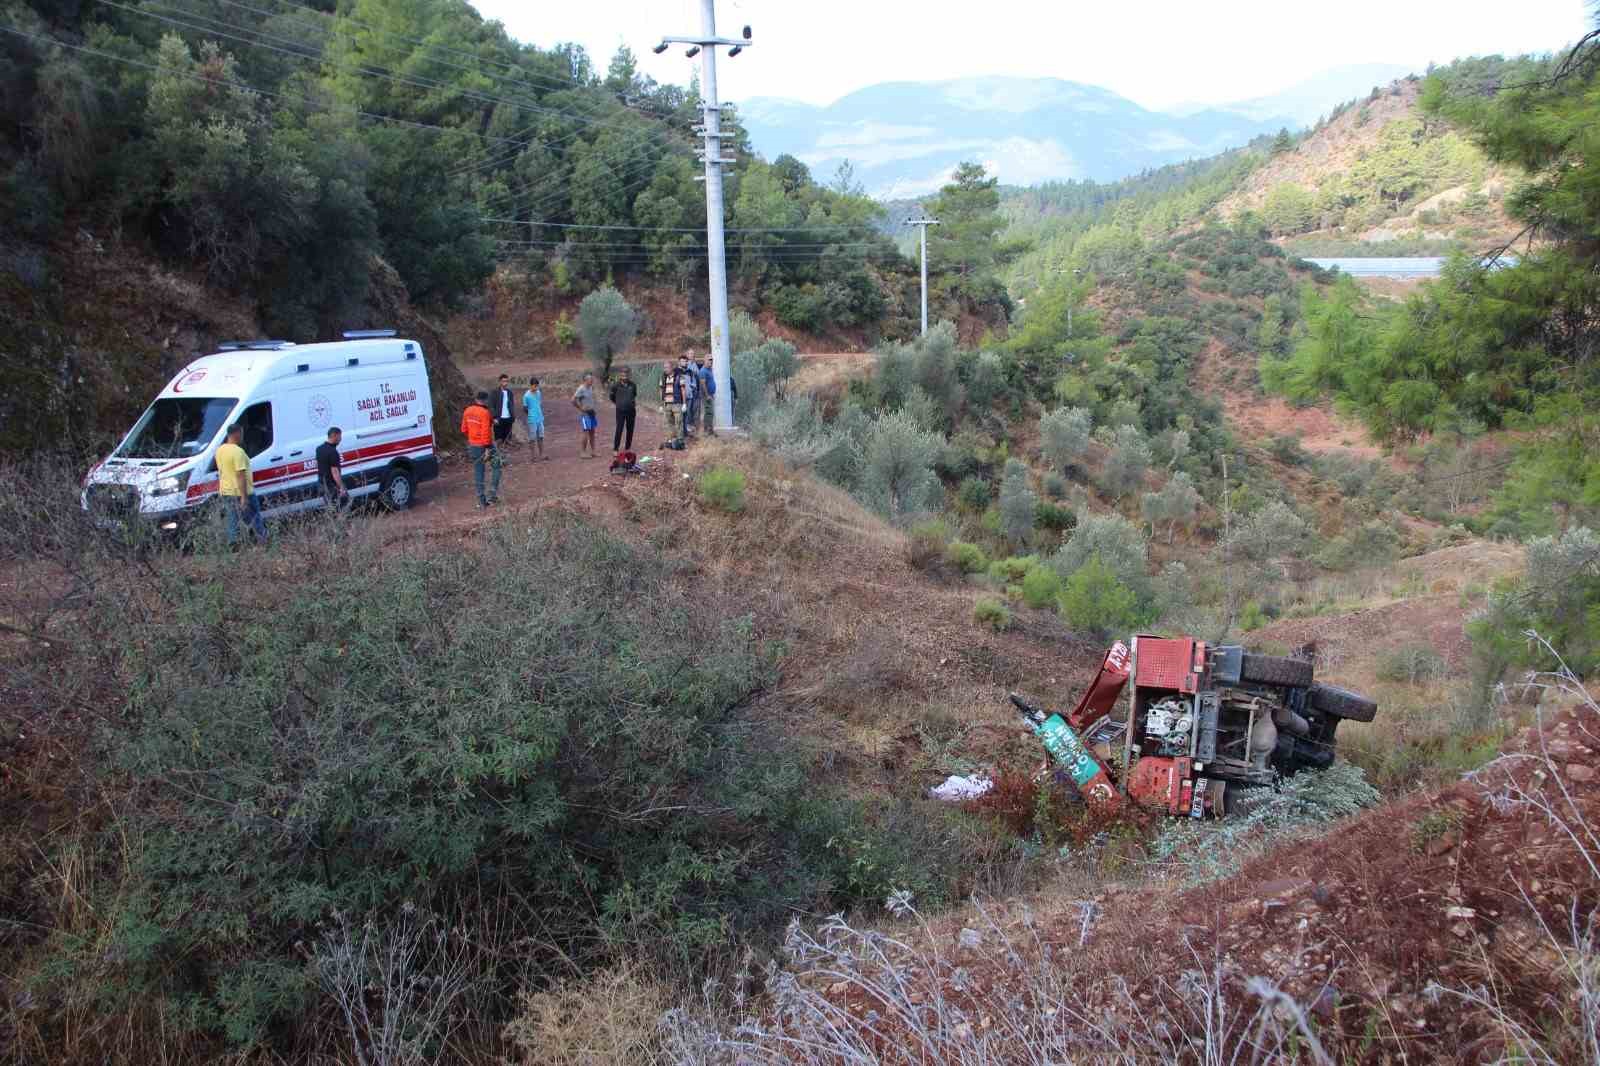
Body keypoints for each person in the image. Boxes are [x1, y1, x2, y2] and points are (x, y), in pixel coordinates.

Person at [216, 421, 267, 544]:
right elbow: (240, 475)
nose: (243, 436)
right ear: (237, 434)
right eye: (242, 433)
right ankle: (263, 540)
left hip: (227, 492)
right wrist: (244, 497)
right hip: (242, 492)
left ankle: (232, 544)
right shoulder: (238, 452)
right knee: (255, 518)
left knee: (232, 521)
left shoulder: (220, 450)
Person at [460, 390, 500, 507]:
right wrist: (487, 448)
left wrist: (473, 437)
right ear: (485, 400)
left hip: (473, 445)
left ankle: (481, 501)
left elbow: (464, 429)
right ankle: (492, 495)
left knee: (478, 472)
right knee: (497, 465)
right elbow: (486, 432)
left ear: (476, 399)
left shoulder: (467, 411)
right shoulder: (485, 412)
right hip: (485, 445)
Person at [315, 426, 350, 513]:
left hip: (322, 483)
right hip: (332, 485)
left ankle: (333, 523)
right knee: (344, 504)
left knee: (330, 507)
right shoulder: (333, 452)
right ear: (334, 436)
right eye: (340, 437)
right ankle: (343, 523)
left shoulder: (319, 449)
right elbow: (335, 472)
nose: (340, 439)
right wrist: (341, 487)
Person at [661, 357, 689, 446]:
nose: (665, 369)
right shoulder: (663, 378)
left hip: (677, 403)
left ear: (672, 367)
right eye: (664, 367)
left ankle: (680, 440)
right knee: (669, 423)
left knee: (678, 422)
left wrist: (684, 403)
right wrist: (661, 403)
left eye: (667, 367)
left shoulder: (679, 377)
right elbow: (661, 390)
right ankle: (671, 439)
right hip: (667, 404)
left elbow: (683, 390)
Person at [609, 366, 637, 453]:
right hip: (620, 411)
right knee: (619, 429)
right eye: (623, 374)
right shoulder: (615, 385)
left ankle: (627, 448)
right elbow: (612, 397)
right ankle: (615, 449)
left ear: (629, 375)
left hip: (631, 411)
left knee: (630, 429)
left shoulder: (633, 385)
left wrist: (630, 403)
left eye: (626, 374)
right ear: (620, 375)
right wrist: (618, 403)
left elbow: (634, 395)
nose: (625, 376)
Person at [573, 372, 599, 459]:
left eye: (592, 379)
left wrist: (593, 409)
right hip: (585, 414)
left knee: (592, 432)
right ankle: (582, 452)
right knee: (585, 432)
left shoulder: (590, 387)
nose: (592, 380)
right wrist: (581, 408)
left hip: (591, 413)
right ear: (585, 380)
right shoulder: (581, 389)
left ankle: (593, 451)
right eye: (590, 379)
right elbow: (573, 400)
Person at [522, 377, 546, 462]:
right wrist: (530, 415)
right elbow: (525, 408)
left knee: (541, 436)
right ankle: (532, 456)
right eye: (535, 386)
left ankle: (542, 454)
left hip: (540, 417)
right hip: (532, 419)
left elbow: (539, 403)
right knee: (532, 438)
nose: (536, 388)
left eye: (537, 386)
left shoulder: (538, 393)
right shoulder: (526, 396)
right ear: (531, 385)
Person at [695, 353, 718, 437]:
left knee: (710, 413)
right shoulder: (703, 371)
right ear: (704, 360)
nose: (711, 361)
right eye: (709, 360)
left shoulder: (709, 370)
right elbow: (703, 384)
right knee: (708, 413)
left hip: (710, 395)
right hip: (706, 396)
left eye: (712, 360)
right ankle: (707, 431)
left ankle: (710, 430)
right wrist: (707, 395)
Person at [491, 374, 517, 446]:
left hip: (508, 417)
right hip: (499, 418)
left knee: (507, 437)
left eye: (507, 381)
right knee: (498, 438)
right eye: (503, 381)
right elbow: (491, 406)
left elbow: (512, 405)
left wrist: (513, 416)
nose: (505, 383)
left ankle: (507, 450)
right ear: (500, 382)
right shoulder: (495, 392)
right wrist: (494, 417)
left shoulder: (510, 393)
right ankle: (498, 453)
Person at [682, 352, 700, 438]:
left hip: (695, 390)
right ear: (687, 355)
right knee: (688, 409)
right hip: (688, 391)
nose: (692, 355)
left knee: (694, 408)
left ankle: (692, 426)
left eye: (693, 354)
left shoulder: (695, 364)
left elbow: (697, 375)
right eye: (690, 354)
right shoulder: (687, 365)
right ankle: (687, 426)